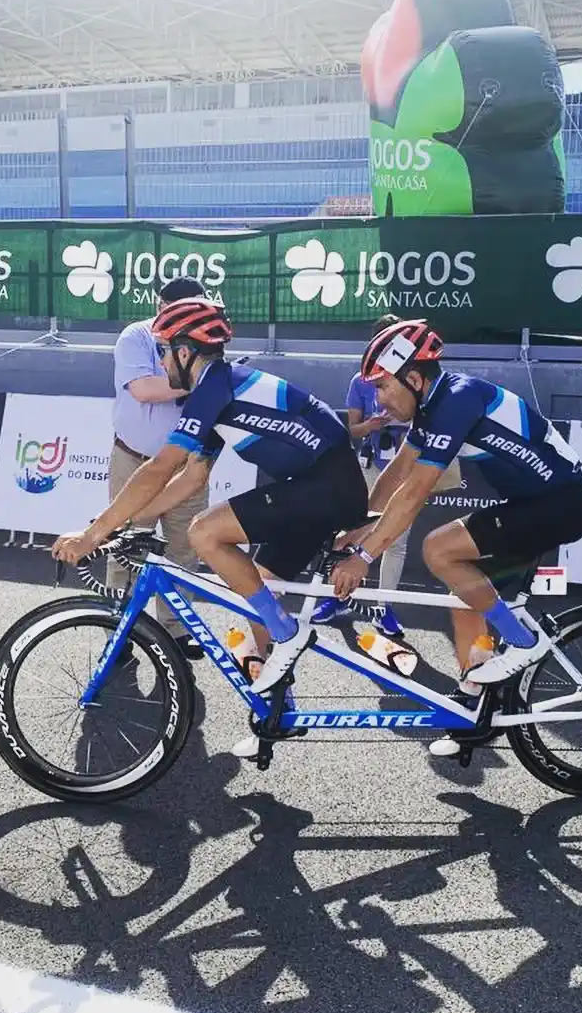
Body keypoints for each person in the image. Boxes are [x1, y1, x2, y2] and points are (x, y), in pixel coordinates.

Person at [51, 297, 369, 751]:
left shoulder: (212, 389)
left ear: (186, 352)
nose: (161, 361)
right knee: (258, 588)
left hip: (325, 487)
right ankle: (280, 710)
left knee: (204, 531)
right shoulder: (221, 389)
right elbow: (192, 476)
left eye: (165, 351)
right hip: (320, 485)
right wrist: (128, 525)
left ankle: (287, 634)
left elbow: (161, 467)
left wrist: (93, 533)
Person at [328, 318, 582, 756]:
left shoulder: (457, 399)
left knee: (439, 549)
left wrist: (364, 555)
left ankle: (524, 643)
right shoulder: (431, 406)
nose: (379, 399)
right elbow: (398, 470)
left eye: (383, 387)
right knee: (463, 599)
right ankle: (476, 707)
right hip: (530, 504)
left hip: (560, 503)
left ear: (414, 379)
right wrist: (358, 523)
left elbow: (415, 491)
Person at [108, 275, 211, 661]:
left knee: (185, 549)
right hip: (134, 459)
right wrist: (195, 384)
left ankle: (176, 630)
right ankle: (119, 629)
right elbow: (145, 389)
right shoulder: (135, 337)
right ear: (160, 307)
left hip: (187, 465)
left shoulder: (208, 343)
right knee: (125, 546)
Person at [311, 314, 410, 637]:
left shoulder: (413, 378)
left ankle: (384, 608)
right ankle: (340, 597)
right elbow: (352, 428)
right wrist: (372, 425)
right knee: (355, 533)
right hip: (369, 463)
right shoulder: (360, 381)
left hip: (406, 464)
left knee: (396, 542)